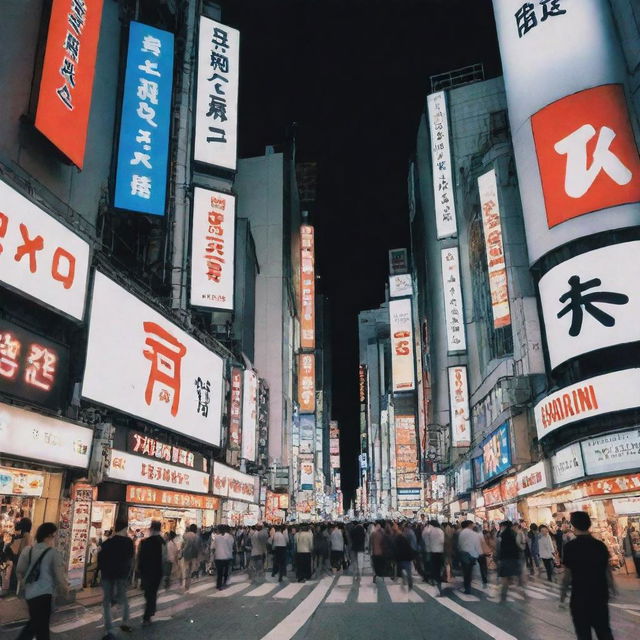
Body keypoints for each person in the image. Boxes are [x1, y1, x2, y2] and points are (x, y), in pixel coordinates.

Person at [561, 512, 616, 640]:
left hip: (580, 597)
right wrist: (612, 588)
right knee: (604, 631)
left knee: (583, 634)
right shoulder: (600, 546)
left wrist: (563, 594)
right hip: (599, 595)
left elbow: (567, 575)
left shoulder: (570, 547)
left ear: (573, 525)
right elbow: (607, 570)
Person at [15, 522, 69, 640]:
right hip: (45, 594)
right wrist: (65, 588)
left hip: (30, 594)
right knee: (39, 626)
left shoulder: (27, 550)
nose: (54, 539)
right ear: (49, 536)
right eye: (54, 536)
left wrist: (24, 584)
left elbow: (19, 571)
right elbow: (59, 576)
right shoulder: (53, 553)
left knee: (38, 624)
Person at [98, 519, 135, 639]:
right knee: (123, 599)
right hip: (121, 575)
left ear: (115, 528)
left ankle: (109, 629)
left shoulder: (107, 542)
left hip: (107, 575)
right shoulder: (128, 542)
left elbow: (100, 560)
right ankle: (125, 622)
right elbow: (130, 559)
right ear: (125, 529)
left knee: (107, 601)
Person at [137, 521, 166, 625]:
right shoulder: (162, 542)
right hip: (157, 572)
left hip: (146, 572)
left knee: (149, 593)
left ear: (151, 529)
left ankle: (148, 614)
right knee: (152, 593)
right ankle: (149, 613)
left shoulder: (144, 542)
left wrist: (139, 571)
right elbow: (164, 559)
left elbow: (139, 558)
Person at [497, 521, 526, 602]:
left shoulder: (502, 535)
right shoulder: (515, 533)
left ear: (505, 526)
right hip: (515, 557)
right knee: (519, 574)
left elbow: (499, 548)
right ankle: (523, 592)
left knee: (505, 579)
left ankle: (503, 597)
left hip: (505, 558)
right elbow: (519, 545)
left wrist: (498, 558)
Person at [457, 520, 481, 594]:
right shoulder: (474, 533)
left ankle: (467, 587)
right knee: (469, 571)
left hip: (464, 554)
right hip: (472, 554)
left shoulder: (460, 533)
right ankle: (468, 585)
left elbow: (459, 544)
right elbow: (477, 544)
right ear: (469, 525)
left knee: (466, 572)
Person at [213, 525, 234, 590]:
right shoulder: (230, 537)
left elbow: (213, 547)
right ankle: (224, 583)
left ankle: (218, 585)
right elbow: (232, 545)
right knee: (226, 572)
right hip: (227, 557)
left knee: (219, 572)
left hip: (218, 557)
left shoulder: (216, 537)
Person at [427, 521, 445, 595]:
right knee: (438, 567)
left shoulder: (430, 531)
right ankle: (438, 579)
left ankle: (433, 579)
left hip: (432, 551)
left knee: (433, 566)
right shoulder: (440, 531)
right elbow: (442, 541)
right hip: (439, 551)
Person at [394, 524, 414, 590]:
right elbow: (409, 548)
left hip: (401, 558)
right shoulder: (405, 538)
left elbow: (396, 549)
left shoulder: (397, 540)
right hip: (407, 558)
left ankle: (404, 582)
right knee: (408, 572)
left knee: (402, 570)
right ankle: (409, 584)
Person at [181, 524, 200, 592]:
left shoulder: (185, 535)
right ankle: (188, 585)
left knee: (186, 569)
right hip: (194, 555)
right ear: (195, 529)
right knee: (191, 570)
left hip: (186, 554)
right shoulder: (197, 537)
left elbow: (182, 544)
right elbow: (198, 547)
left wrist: (181, 552)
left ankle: (185, 584)